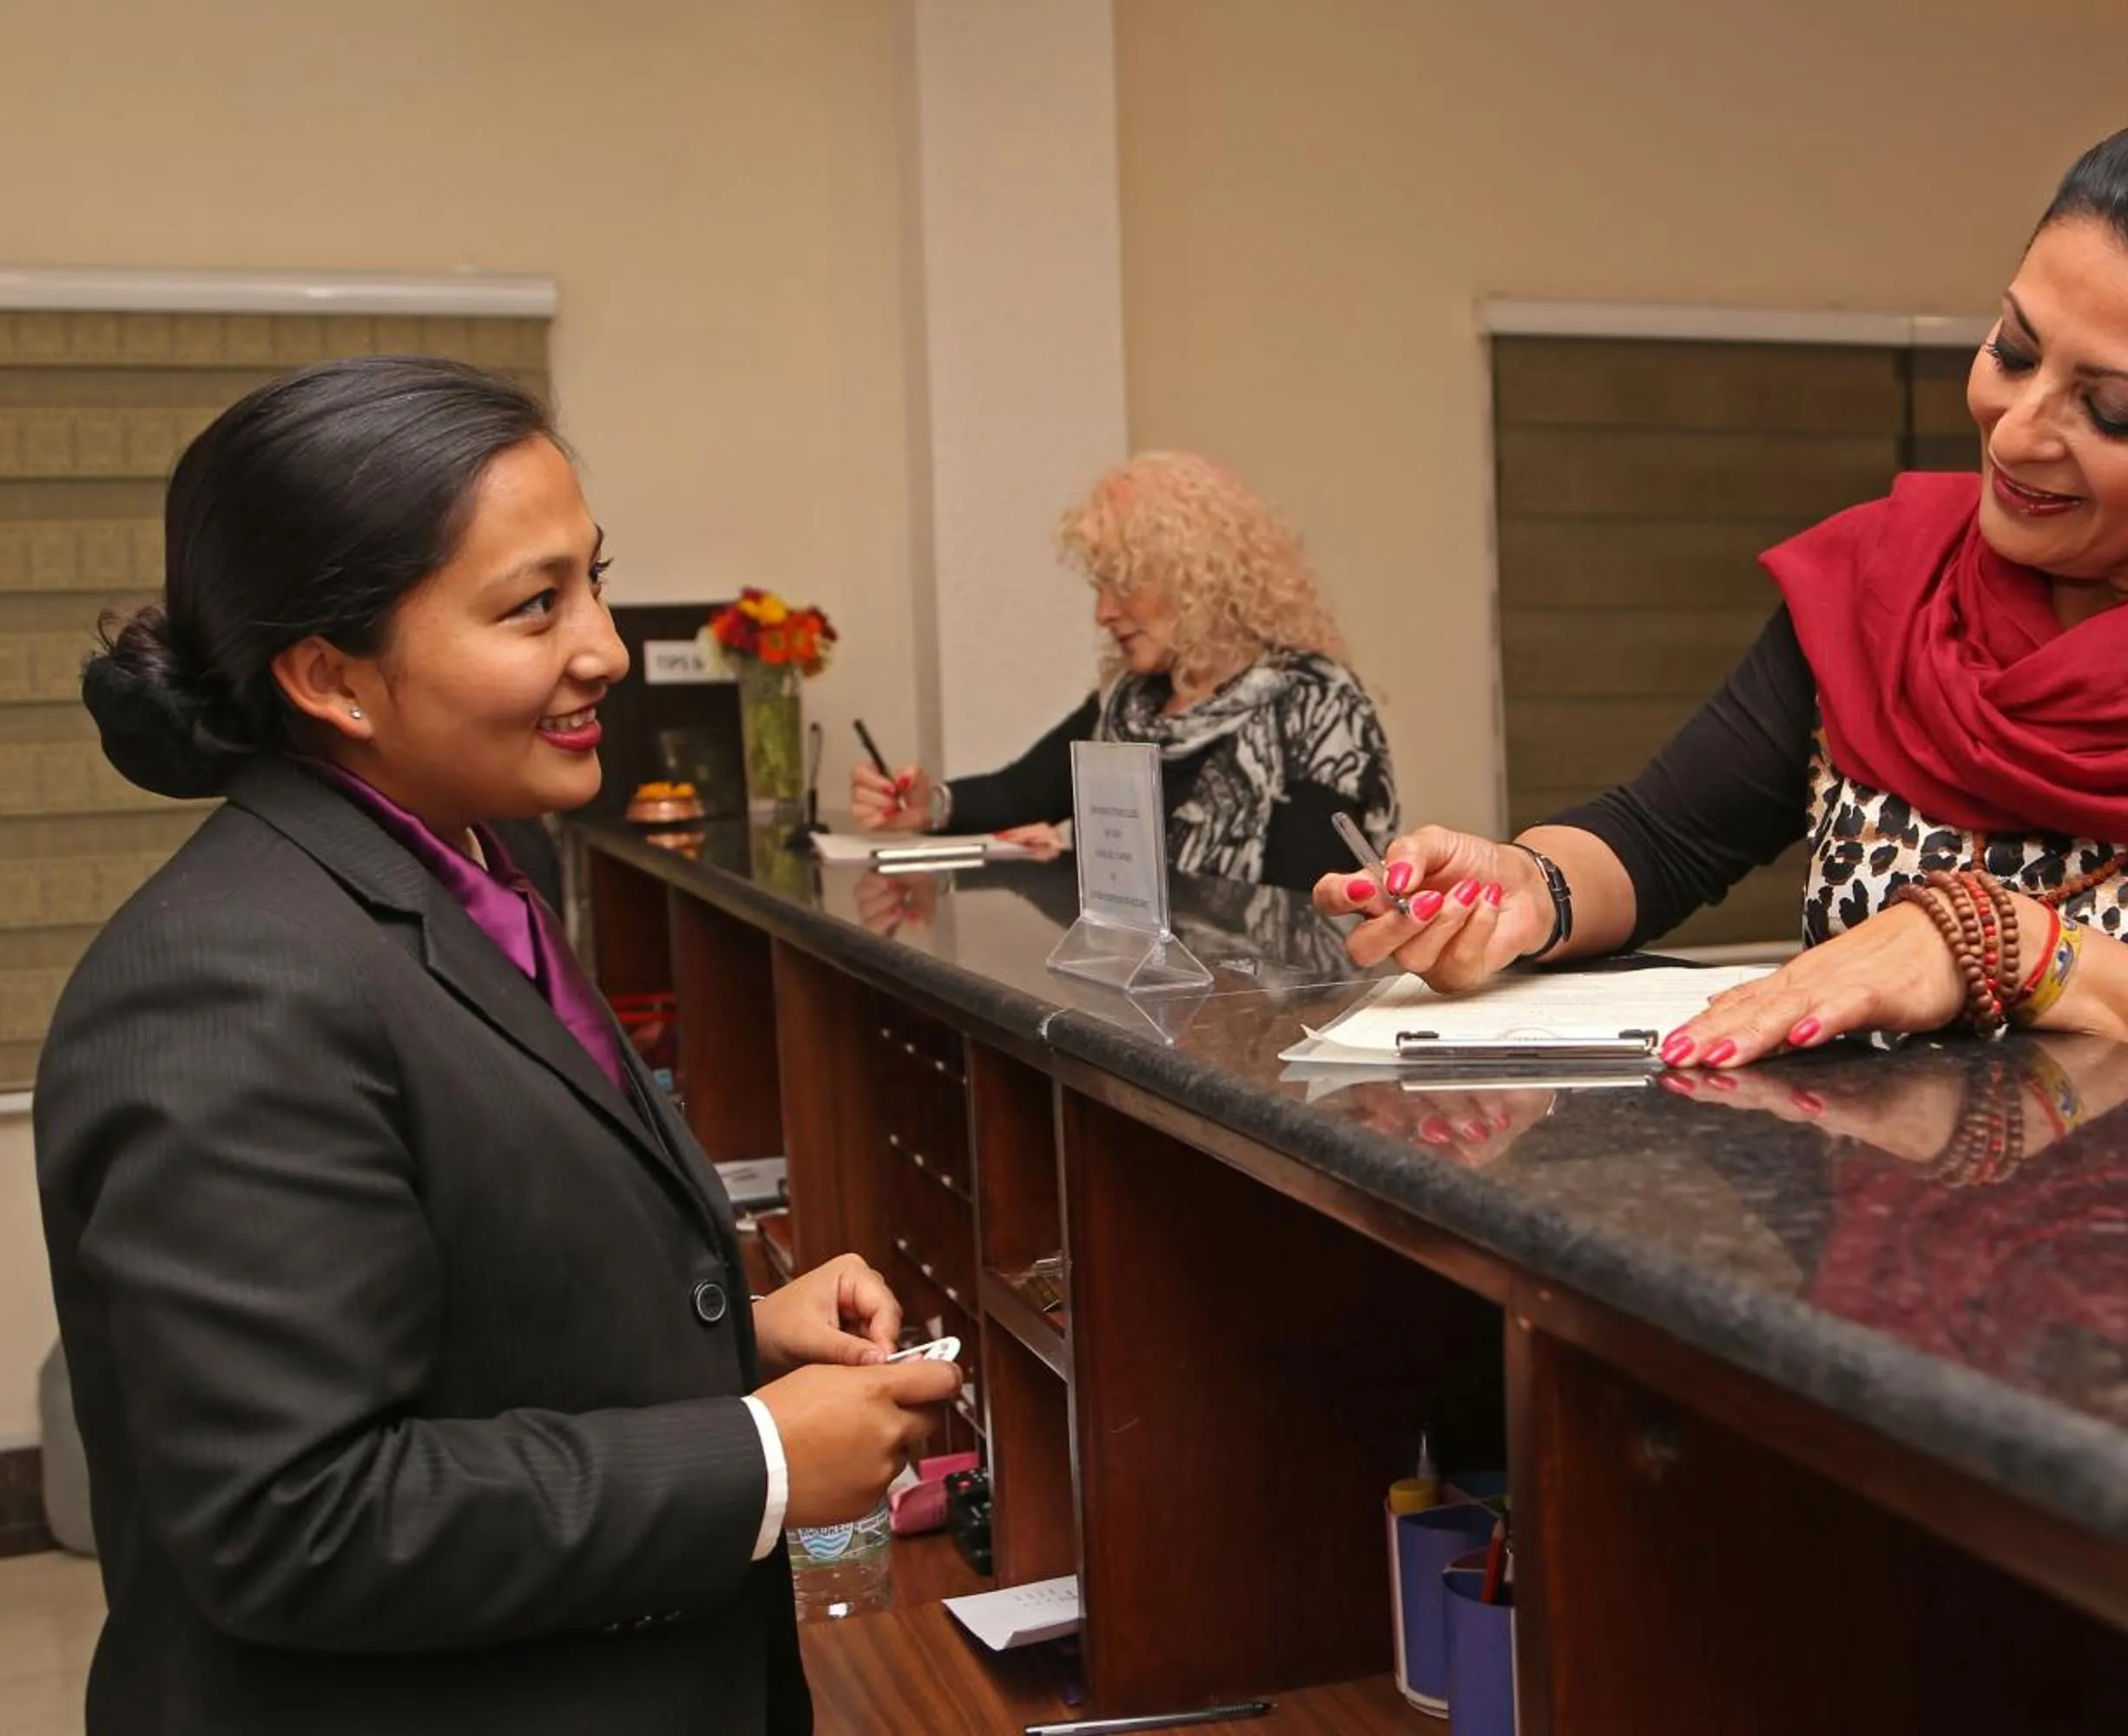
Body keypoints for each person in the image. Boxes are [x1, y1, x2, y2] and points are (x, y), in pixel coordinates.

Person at [1318, 62, 2128, 1116]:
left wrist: (2017, 950)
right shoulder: (1887, 583)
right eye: (2013, 351)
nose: (2018, 431)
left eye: (2112, 411)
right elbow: (1661, 840)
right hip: (1858, 1276)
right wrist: (1522, 891)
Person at [36, 356, 959, 1735]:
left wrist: (729, 1334)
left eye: (594, 581)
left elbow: (460, 1274)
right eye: (536, 606)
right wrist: (757, 1458)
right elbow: (294, 1518)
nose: (607, 650)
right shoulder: (220, 985)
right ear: (331, 678)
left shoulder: (467, 864)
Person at [852, 450, 1398, 891]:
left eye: (1125, 584)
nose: (1104, 613)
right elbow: (1018, 793)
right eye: (1099, 587)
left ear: (1193, 578)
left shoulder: (1315, 705)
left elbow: (1302, 909)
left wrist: (1075, 871)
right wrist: (928, 807)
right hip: (1143, 988)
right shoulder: (1133, 702)